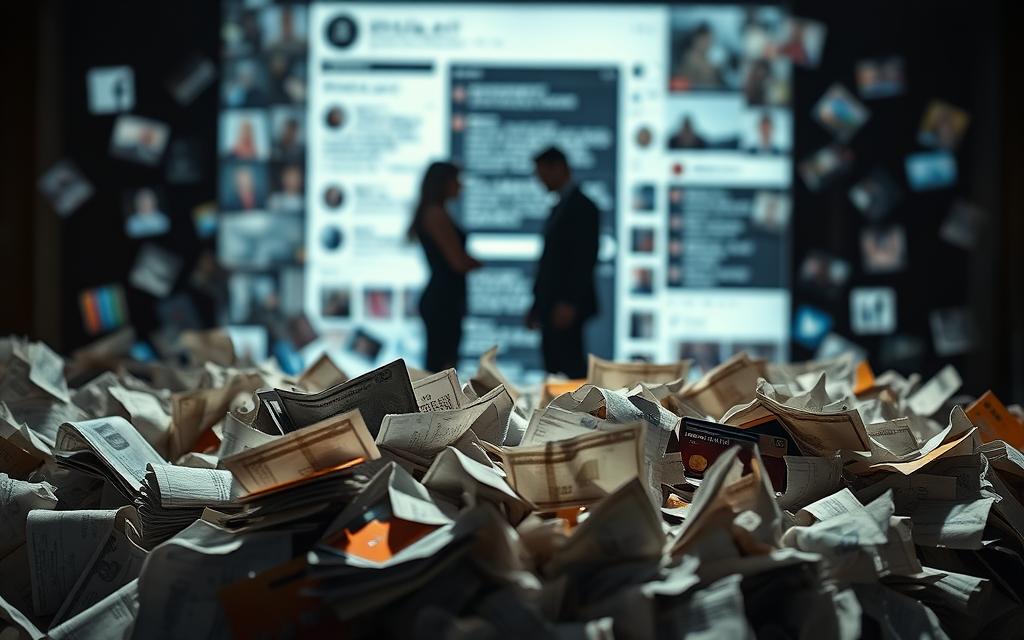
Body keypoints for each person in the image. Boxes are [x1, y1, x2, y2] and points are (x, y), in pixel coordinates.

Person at [527, 147, 599, 379]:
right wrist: (537, 303)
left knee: (570, 370)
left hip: (564, 306)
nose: (539, 180)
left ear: (557, 168)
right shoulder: (562, 205)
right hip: (553, 304)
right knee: (555, 369)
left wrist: (569, 302)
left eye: (542, 173)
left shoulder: (582, 207)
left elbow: (583, 259)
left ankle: (572, 415)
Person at [409, 162, 481, 372]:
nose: (460, 186)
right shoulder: (435, 214)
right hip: (443, 300)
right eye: (456, 180)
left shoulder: (437, 212)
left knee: (444, 365)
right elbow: (457, 262)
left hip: (445, 298)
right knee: (442, 369)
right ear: (443, 183)